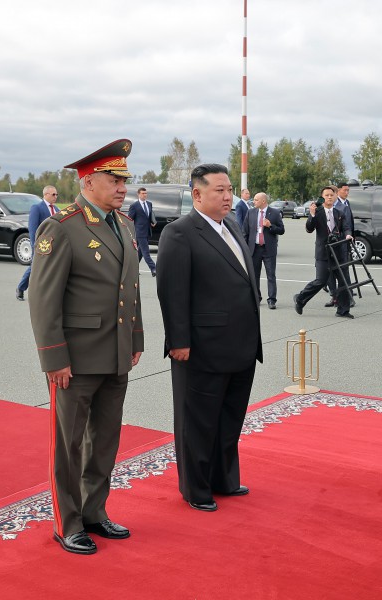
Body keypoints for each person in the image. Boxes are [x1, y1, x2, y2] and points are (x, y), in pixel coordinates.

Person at [28, 139, 143, 555]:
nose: (122, 187)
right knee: (69, 444)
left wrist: (136, 339)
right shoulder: (61, 227)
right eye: (114, 180)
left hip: (115, 353)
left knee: (105, 439)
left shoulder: (125, 225)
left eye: (124, 180)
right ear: (89, 181)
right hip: (74, 359)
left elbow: (131, 288)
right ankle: (68, 522)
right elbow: (44, 300)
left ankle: (95, 512)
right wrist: (54, 358)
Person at [156, 163, 263, 512]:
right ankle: (196, 489)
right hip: (200, 347)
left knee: (230, 417)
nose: (228, 196)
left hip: (241, 344)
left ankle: (224, 478)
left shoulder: (230, 226)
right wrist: (178, 341)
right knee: (198, 422)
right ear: (197, 194)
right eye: (219, 190)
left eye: (229, 189)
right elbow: (172, 292)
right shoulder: (181, 232)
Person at [293, 186, 354, 318]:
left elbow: (347, 228)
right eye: (326, 195)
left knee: (343, 281)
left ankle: (343, 310)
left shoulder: (339, 213)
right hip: (323, 252)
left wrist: (348, 235)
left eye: (331, 195)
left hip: (338, 252)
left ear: (335, 196)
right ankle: (300, 299)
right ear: (322, 197)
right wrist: (312, 214)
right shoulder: (318, 212)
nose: (329, 197)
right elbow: (309, 229)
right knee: (320, 281)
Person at [242, 191, 285, 309]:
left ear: (263, 201)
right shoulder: (250, 213)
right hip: (254, 249)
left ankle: (272, 300)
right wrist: (244, 248)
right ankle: (257, 297)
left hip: (268, 249)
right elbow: (245, 232)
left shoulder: (275, 213)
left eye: (256, 199)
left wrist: (270, 226)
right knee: (254, 275)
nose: (253, 201)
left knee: (271, 275)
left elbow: (281, 230)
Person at [16, 185, 58, 300]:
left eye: (56, 194)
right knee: (35, 266)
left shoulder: (57, 209)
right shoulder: (37, 208)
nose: (56, 197)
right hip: (41, 244)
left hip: (54, 245)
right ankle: (21, 288)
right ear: (45, 195)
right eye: (53, 194)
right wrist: (34, 244)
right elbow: (33, 227)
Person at [328, 182, 355, 308]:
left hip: (344, 242)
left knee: (344, 270)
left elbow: (348, 224)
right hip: (331, 244)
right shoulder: (331, 206)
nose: (347, 193)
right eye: (345, 190)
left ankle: (348, 298)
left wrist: (349, 236)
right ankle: (335, 297)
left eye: (348, 190)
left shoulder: (345, 204)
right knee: (331, 272)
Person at [128, 187, 157, 276]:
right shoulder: (134, 206)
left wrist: (153, 222)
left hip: (147, 231)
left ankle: (133, 269)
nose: (145, 195)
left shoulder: (149, 204)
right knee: (146, 251)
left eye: (146, 193)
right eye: (143, 193)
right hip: (139, 232)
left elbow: (150, 215)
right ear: (138, 194)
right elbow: (130, 219)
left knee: (140, 252)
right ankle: (154, 269)